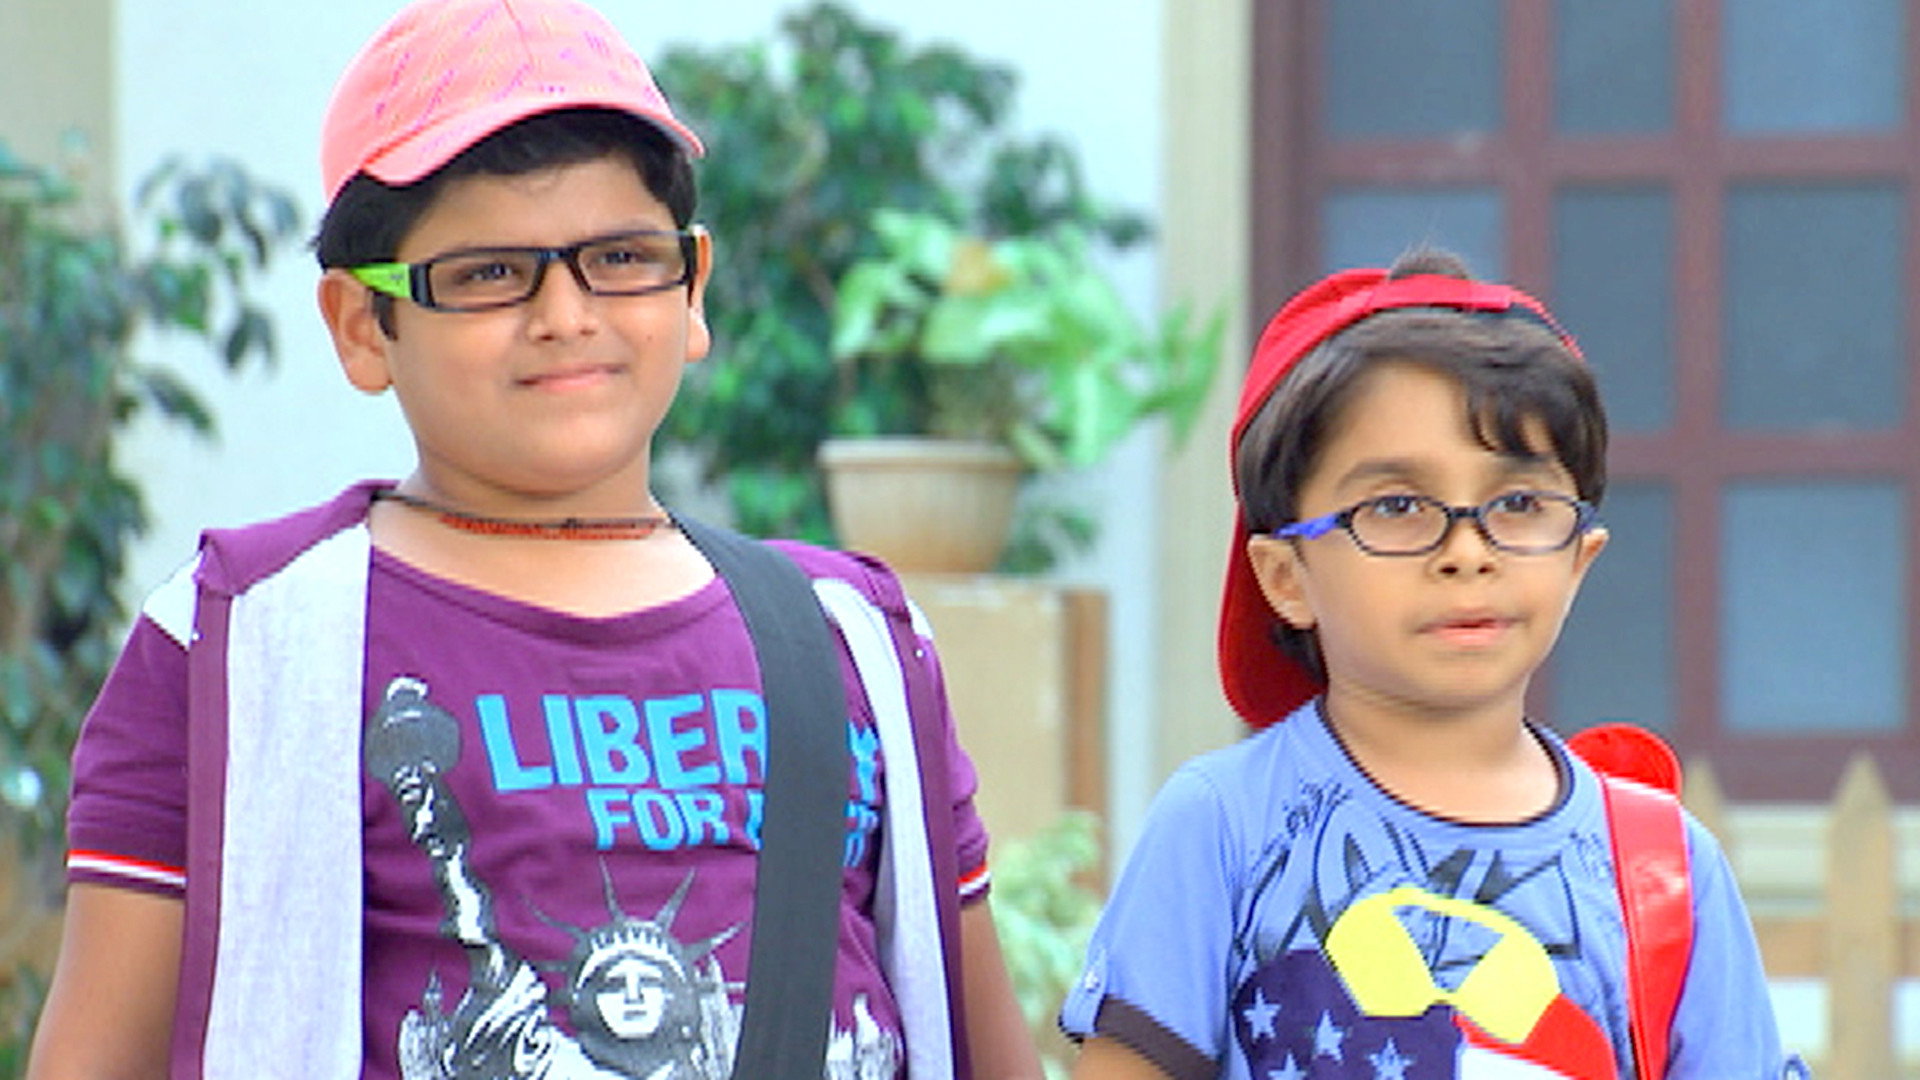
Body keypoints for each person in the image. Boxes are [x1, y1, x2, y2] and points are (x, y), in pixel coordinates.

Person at [25, 1, 1040, 1077]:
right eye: (489, 273)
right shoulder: (241, 643)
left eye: (622, 257)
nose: (566, 314)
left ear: (693, 288)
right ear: (364, 326)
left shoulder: (857, 642)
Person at [1059, 251, 1802, 1078]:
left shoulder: (1668, 868)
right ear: (1285, 577)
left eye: (1518, 503)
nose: (1467, 551)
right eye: (1398, 506)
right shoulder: (1222, 823)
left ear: (1579, 558)